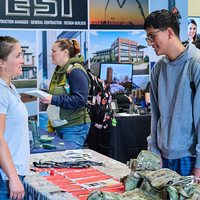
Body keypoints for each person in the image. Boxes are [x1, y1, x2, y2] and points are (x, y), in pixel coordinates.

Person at [143, 9, 200, 184]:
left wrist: (199, 166)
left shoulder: (196, 64)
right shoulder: (158, 69)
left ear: (169, 32)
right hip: (162, 158)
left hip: (189, 159)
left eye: (152, 36)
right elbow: (155, 116)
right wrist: (154, 150)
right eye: (148, 38)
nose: (150, 43)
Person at [41, 38, 91, 149]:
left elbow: (80, 100)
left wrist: (53, 99)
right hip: (60, 126)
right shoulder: (58, 71)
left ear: (65, 52)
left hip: (74, 127)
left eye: (54, 51)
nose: (50, 54)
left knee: (70, 161)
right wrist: (51, 127)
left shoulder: (76, 71)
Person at [0, 36, 30, 199]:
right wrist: (12, 177)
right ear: (1, 62)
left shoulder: (9, 87)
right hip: (5, 179)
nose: (23, 60)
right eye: (17, 55)